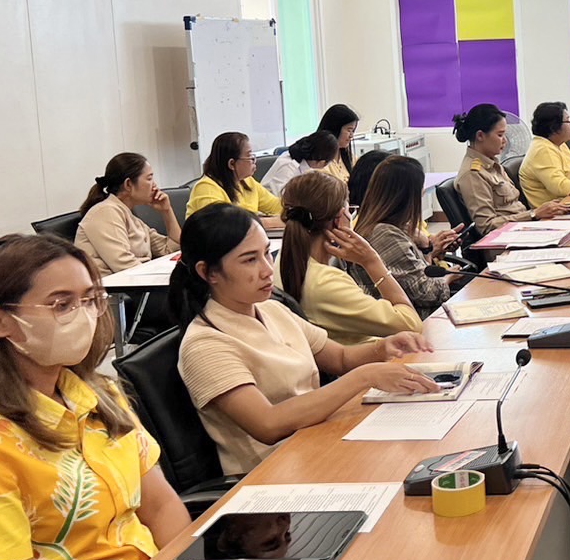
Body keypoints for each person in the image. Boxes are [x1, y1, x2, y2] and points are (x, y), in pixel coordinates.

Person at [0, 235, 189, 560]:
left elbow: (160, 507)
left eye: (90, 300)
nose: (85, 316)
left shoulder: (101, 396)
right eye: (61, 304)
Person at [172, 205, 439, 475]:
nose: (267, 269)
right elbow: (268, 424)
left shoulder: (271, 309)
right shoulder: (204, 344)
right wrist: (365, 376)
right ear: (208, 273)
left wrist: (383, 347)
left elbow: (339, 358)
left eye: (267, 253)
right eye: (250, 260)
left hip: (319, 443)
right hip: (275, 474)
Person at [276, 172, 421, 346]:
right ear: (338, 220)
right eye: (349, 210)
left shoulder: (282, 262)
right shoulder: (325, 282)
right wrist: (372, 261)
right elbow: (410, 324)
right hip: (366, 359)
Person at [350, 155, 463, 318]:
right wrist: (449, 276)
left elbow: (420, 275)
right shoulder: (385, 235)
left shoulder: (389, 226)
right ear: (407, 196)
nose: (423, 193)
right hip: (417, 320)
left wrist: (426, 248)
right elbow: (426, 292)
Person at [453, 105, 566, 235]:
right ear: (480, 135)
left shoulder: (492, 164)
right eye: (500, 135)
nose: (505, 141)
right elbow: (486, 226)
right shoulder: (473, 174)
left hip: (523, 228)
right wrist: (533, 214)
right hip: (507, 238)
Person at [75, 152, 180, 276]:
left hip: (136, 283)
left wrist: (166, 211)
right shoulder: (106, 212)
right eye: (149, 179)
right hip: (114, 286)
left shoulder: (129, 216)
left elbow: (172, 249)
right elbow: (125, 267)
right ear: (128, 184)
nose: (154, 185)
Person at [186, 132, 284, 229]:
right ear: (232, 164)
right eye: (249, 156)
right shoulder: (206, 188)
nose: (254, 161)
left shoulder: (247, 181)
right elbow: (222, 226)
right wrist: (269, 222)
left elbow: (276, 206)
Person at [261, 130, 339, 197]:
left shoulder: (305, 164)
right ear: (322, 162)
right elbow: (281, 197)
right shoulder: (289, 165)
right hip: (269, 206)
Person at [317, 103, 359, 183]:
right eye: (349, 130)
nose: (351, 136)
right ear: (335, 128)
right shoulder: (318, 161)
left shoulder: (349, 157)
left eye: (353, 131)